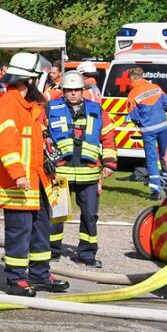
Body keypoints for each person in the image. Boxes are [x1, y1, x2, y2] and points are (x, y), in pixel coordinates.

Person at [0, 52, 69, 297]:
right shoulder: (8, 104)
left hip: (38, 180)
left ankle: (39, 274)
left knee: (40, 229)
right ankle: (15, 279)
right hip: (19, 182)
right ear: (29, 80)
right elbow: (6, 144)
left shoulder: (33, 107)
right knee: (19, 231)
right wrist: (18, 174)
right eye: (40, 79)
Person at [46, 71, 117, 267]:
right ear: (63, 91)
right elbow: (41, 132)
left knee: (90, 215)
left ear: (83, 90)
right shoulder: (51, 109)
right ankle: (52, 251)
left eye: (77, 90)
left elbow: (108, 137)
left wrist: (109, 162)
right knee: (58, 214)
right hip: (60, 172)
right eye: (69, 90)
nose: (73, 94)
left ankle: (87, 254)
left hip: (89, 173)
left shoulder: (97, 110)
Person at [126, 67, 167, 199]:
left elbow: (133, 115)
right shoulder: (156, 87)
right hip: (163, 126)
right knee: (166, 157)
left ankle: (156, 192)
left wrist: (143, 120)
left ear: (132, 78)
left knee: (152, 160)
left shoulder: (133, 93)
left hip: (148, 130)